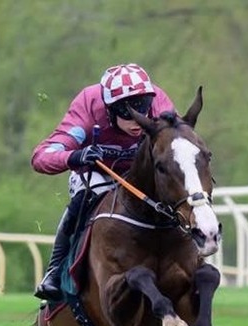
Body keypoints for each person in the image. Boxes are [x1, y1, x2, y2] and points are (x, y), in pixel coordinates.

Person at [31, 63, 176, 301]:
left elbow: (179, 142)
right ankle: (55, 272)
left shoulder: (159, 103)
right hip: (98, 172)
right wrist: (74, 156)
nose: (137, 119)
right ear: (109, 109)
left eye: (142, 108)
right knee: (88, 195)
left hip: (139, 174)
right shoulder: (88, 108)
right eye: (126, 111)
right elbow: (41, 156)